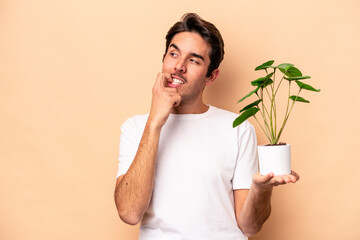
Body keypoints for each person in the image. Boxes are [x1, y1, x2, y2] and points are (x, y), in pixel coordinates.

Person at [114, 13, 299, 240]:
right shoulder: (135, 128)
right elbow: (130, 213)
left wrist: (261, 189)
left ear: (211, 76)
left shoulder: (238, 128)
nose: (179, 66)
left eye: (193, 60)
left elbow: (250, 227)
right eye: (173, 54)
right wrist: (154, 123)